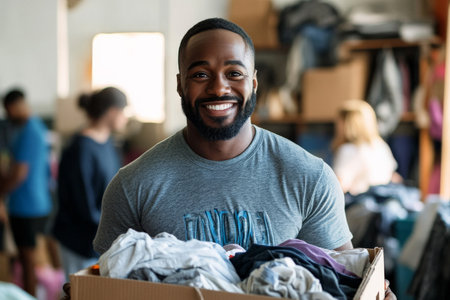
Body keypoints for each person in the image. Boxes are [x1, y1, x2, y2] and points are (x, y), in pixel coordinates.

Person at [92, 18, 395, 299]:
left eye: (234, 73)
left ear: (253, 83)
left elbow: (342, 280)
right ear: (180, 84)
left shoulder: (309, 177)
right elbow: (105, 284)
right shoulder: (133, 186)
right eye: (200, 74)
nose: (218, 87)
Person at [53, 87, 127, 280]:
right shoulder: (81, 149)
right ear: (112, 112)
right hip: (80, 240)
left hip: (100, 238)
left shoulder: (108, 143)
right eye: (123, 112)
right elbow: (83, 204)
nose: (125, 119)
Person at [0, 89, 52, 296]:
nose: (7, 115)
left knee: (28, 262)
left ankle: (29, 295)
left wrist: (1, 193)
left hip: (27, 206)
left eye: (7, 110)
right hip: (34, 202)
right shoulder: (31, 128)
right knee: (27, 259)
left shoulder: (30, 131)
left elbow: (19, 174)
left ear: (15, 106)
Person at [332, 99, 400, 195]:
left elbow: (339, 187)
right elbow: (394, 177)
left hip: (359, 204)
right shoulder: (381, 146)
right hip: (382, 201)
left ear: (347, 125)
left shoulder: (348, 150)